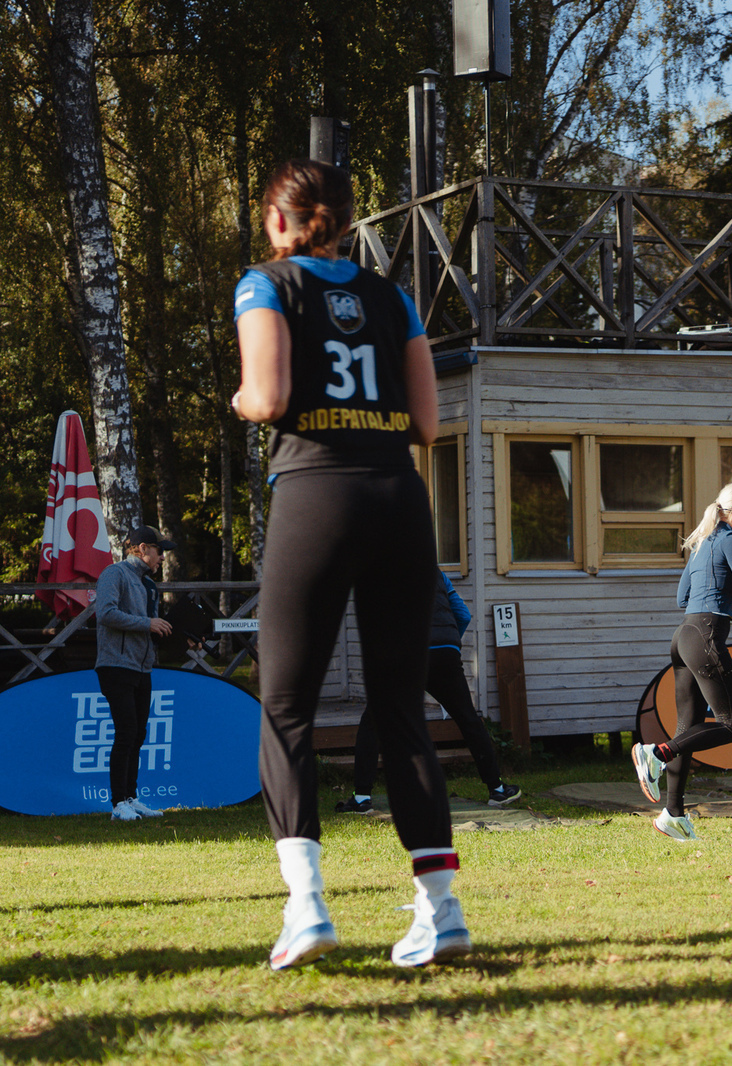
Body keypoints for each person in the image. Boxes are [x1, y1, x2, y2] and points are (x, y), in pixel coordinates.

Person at [232, 158, 468, 971]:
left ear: (278, 221)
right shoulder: (391, 297)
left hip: (316, 494)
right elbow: (427, 425)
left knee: (285, 706)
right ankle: (441, 909)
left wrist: (239, 400)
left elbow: (266, 400)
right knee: (401, 707)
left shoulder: (265, 284)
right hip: (398, 500)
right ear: (344, 219)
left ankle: (306, 907)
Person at [631, 482, 732, 842]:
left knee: (687, 729)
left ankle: (673, 815)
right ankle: (655, 754)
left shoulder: (705, 541)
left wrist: (726, 589)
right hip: (706, 637)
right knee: (731, 725)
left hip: (683, 637)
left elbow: (683, 597)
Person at [336, 568, 520, 813]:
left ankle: (361, 799)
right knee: (468, 720)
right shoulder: (437, 573)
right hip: (446, 652)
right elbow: (463, 615)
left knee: (373, 722)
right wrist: (447, 644)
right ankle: (497, 789)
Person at [94, 525, 176, 822]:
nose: (162, 558)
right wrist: (147, 623)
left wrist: (182, 637)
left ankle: (131, 798)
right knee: (127, 732)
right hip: (115, 666)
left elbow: (151, 628)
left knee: (138, 734)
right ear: (143, 549)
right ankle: (118, 804)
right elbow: (105, 613)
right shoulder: (114, 574)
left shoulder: (147, 584)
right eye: (159, 551)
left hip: (142, 668)